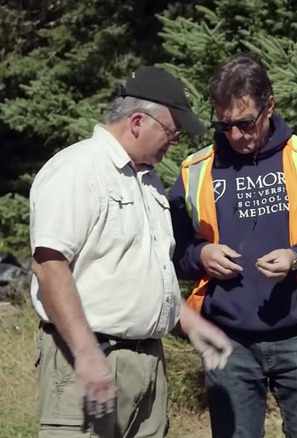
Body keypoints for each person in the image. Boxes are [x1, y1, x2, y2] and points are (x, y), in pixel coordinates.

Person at [29, 66, 233, 438]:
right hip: (87, 360)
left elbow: (147, 274)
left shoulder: (148, 181)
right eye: (171, 132)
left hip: (147, 365)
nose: (175, 143)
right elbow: (49, 266)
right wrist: (87, 354)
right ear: (137, 121)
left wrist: (191, 324)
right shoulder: (78, 170)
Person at [168, 54, 297, 438]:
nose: (236, 135)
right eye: (225, 125)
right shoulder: (196, 170)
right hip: (228, 340)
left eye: (245, 122)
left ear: (269, 105)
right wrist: (199, 255)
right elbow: (171, 247)